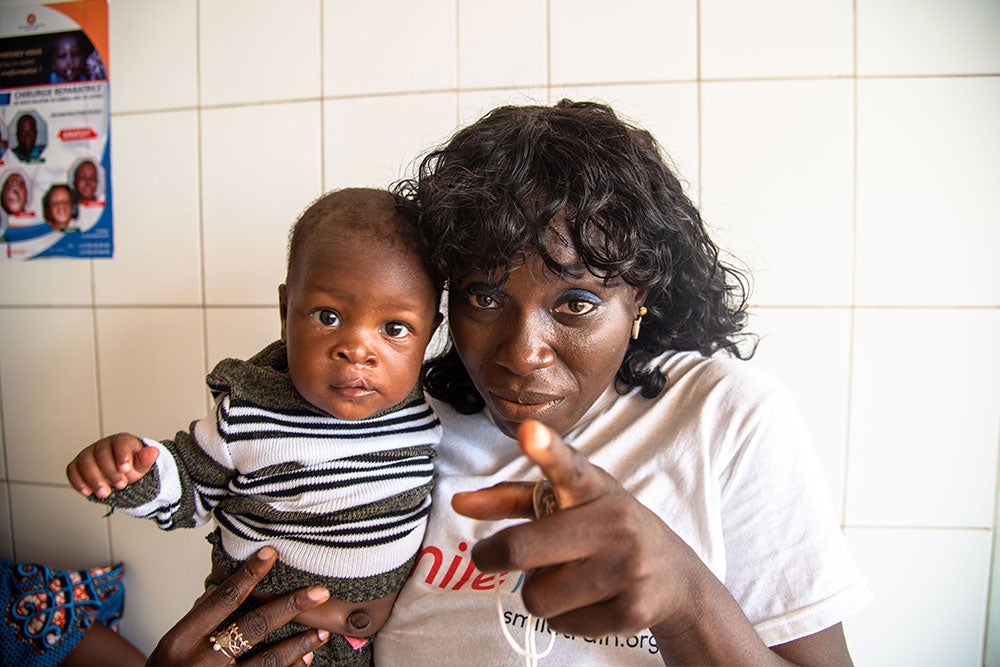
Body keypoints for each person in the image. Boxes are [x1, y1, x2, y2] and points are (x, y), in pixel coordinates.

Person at [142, 100, 872, 666]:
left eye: (575, 304)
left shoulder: (724, 419)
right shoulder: (401, 420)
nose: (522, 353)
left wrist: (684, 595)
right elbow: (322, 607)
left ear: (641, 297)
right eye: (485, 297)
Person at [65, 188, 445, 666]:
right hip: (253, 638)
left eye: (394, 328)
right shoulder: (250, 410)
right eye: (329, 317)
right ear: (286, 313)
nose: (357, 349)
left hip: (361, 649)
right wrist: (133, 470)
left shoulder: (428, 408)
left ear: (430, 332)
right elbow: (188, 484)